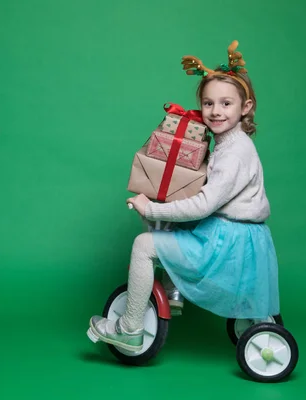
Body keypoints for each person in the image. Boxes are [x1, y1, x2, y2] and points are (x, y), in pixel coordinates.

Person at [87, 41, 280, 353]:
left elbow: (204, 204)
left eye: (226, 104)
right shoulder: (231, 143)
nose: (216, 111)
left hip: (228, 242)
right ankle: (173, 292)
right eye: (208, 103)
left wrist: (152, 208)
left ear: (246, 107)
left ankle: (129, 328)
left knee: (144, 245)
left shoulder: (234, 152)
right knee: (177, 229)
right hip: (240, 237)